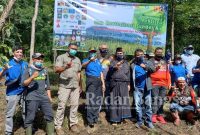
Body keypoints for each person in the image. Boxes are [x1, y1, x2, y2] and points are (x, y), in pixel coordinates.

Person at [22, 53, 54, 135]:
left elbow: (48, 86)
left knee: (50, 115)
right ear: (33, 59)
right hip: (32, 97)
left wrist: (49, 97)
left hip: (44, 97)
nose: (40, 60)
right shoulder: (28, 69)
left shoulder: (44, 70)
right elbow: (24, 83)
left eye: (41, 59)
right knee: (30, 118)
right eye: (38, 58)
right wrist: (32, 77)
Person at [54, 43, 82, 134]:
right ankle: (58, 126)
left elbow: (79, 73)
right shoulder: (61, 57)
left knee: (74, 105)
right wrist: (66, 66)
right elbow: (56, 70)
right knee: (61, 106)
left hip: (75, 86)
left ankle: (73, 124)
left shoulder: (77, 59)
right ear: (68, 48)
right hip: (64, 86)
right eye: (72, 48)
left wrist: (80, 85)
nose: (74, 50)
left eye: (76, 49)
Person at [0, 45, 28, 135]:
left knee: (25, 111)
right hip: (12, 92)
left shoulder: (25, 64)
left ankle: (27, 127)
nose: (19, 53)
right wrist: (4, 69)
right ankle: (8, 131)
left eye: (21, 52)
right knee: (10, 113)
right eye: (17, 52)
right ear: (13, 53)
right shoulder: (8, 63)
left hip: (24, 91)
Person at [82, 47, 105, 133]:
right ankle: (90, 121)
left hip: (99, 81)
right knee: (91, 100)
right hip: (91, 80)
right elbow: (82, 66)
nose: (93, 53)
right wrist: (90, 61)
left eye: (94, 52)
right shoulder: (85, 60)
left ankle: (95, 119)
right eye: (91, 52)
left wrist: (103, 84)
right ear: (89, 53)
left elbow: (101, 72)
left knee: (97, 100)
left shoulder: (98, 61)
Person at [131, 49, 155, 128]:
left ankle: (149, 122)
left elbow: (153, 70)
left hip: (147, 87)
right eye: (138, 55)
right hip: (137, 88)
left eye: (142, 54)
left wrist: (145, 67)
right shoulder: (133, 65)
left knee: (148, 105)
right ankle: (139, 121)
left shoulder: (148, 62)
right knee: (138, 106)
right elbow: (131, 76)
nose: (140, 56)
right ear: (135, 56)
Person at [108, 47, 132, 125]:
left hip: (124, 84)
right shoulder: (113, 61)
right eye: (118, 53)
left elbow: (128, 74)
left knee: (124, 101)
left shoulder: (126, 63)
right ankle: (114, 120)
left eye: (121, 53)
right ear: (116, 54)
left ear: (123, 53)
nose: (120, 54)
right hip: (115, 84)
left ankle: (123, 118)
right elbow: (111, 68)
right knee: (115, 101)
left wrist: (128, 84)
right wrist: (116, 66)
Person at [150, 47, 171, 124]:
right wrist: (156, 67)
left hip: (164, 83)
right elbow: (149, 70)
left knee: (161, 100)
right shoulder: (151, 61)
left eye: (161, 52)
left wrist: (169, 83)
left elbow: (168, 72)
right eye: (158, 52)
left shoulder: (164, 60)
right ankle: (153, 115)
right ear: (155, 52)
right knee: (155, 99)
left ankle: (160, 115)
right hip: (154, 83)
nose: (159, 53)